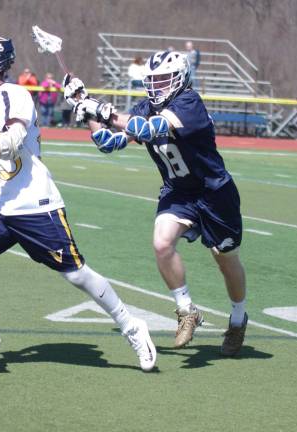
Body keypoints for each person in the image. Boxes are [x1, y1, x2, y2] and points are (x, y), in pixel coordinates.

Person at [0, 35, 156, 372]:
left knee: (77, 274)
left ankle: (131, 326)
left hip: (33, 204)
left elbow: (10, 142)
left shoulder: (15, 95)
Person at [64, 50, 248, 356]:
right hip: (178, 190)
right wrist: (86, 111)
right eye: (152, 80)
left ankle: (239, 319)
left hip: (214, 192)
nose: (156, 87)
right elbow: (108, 143)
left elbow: (149, 129)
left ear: (180, 79)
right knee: (162, 244)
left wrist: (100, 109)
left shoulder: (189, 103)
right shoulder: (144, 107)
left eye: (163, 79)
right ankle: (186, 310)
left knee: (225, 259)